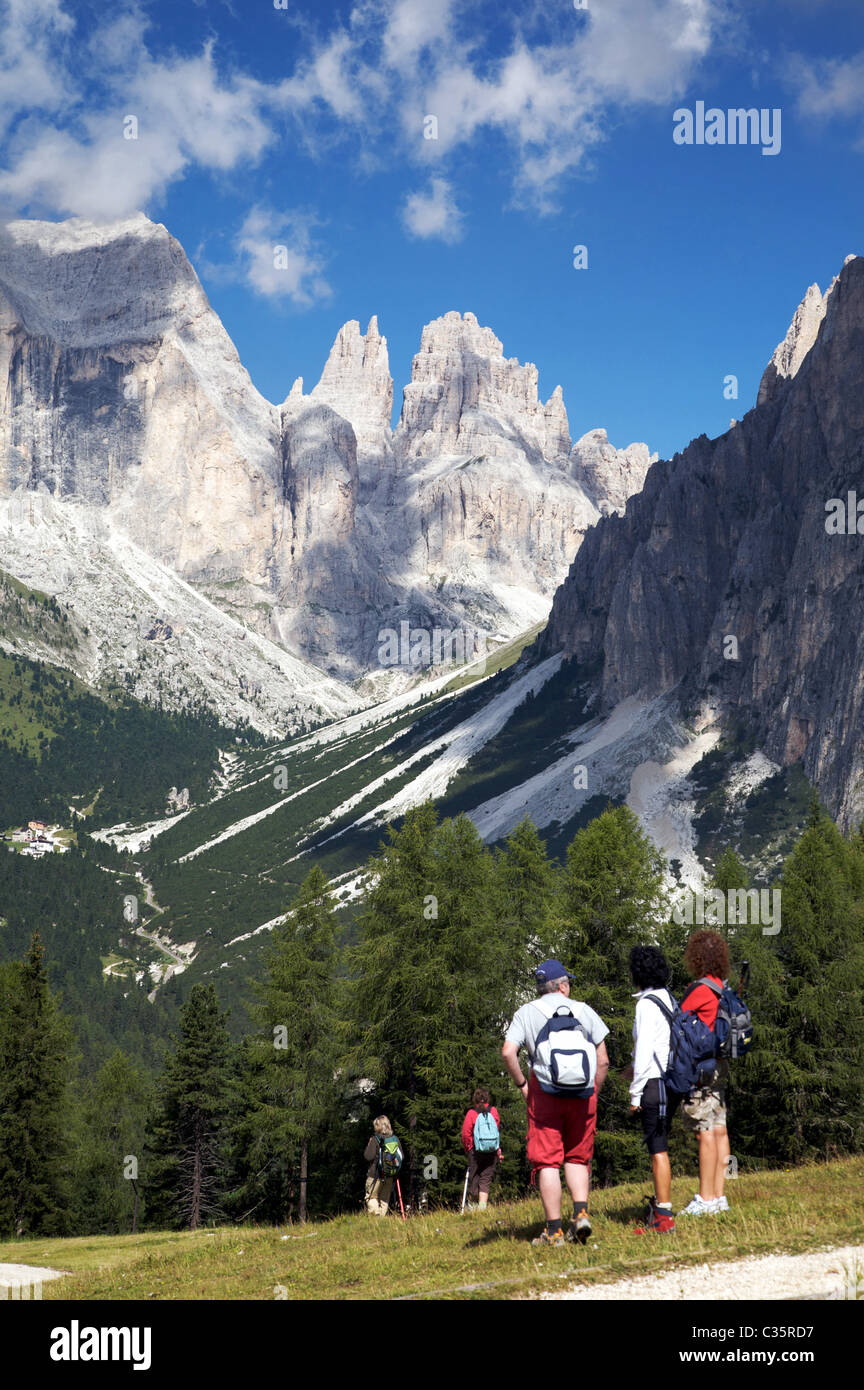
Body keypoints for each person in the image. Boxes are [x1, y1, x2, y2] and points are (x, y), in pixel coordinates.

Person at [502, 959, 609, 1247]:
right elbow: (603, 1060)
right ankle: (581, 1214)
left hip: (545, 1093)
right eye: (568, 982)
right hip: (583, 1096)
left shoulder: (526, 1012)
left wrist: (523, 1085)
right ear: (562, 986)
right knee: (577, 1156)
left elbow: (508, 1052)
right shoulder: (584, 1010)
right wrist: (593, 1091)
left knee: (547, 1160)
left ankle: (554, 1231)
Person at [675, 930, 732, 1217]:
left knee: (704, 1132)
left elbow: (679, 1019)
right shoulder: (722, 986)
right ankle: (719, 1196)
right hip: (719, 1066)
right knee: (719, 1128)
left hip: (701, 1069)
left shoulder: (700, 989)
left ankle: (706, 1199)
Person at [625, 945, 676, 1234]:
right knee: (661, 1147)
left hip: (653, 1085)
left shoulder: (645, 1004)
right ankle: (661, 1207)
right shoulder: (668, 998)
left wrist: (635, 1094)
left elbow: (644, 1051)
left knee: (658, 1150)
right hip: (669, 1082)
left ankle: (663, 1217)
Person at [461, 1087, 502, 1210]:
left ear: (475, 1099)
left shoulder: (471, 1113)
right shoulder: (493, 1111)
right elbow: (497, 1129)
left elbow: (465, 1133)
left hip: (476, 1150)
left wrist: (468, 1147)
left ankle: (473, 1207)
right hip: (491, 1150)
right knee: (486, 1178)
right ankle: (482, 1208)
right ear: (487, 1098)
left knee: (474, 1177)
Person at [363, 1115, 394, 1215]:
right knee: (384, 1200)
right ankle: (382, 1221)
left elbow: (368, 1156)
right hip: (390, 1173)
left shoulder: (375, 1139)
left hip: (375, 1174)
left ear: (377, 1126)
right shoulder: (394, 1139)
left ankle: (375, 1217)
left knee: (371, 1197)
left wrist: (369, 1145)